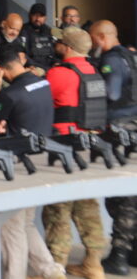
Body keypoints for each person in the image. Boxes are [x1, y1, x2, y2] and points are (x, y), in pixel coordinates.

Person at [0, 44, 65, 279]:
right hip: (41, 160)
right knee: (26, 222)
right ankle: (49, 269)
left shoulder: (9, 94)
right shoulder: (43, 83)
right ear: (20, 60)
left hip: (18, 166)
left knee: (11, 226)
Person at [41, 27, 106, 279]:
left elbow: (43, 101)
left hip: (64, 147)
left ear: (67, 47)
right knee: (87, 204)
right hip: (90, 146)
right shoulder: (94, 72)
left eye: (60, 42)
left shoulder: (59, 73)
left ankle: (56, 266)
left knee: (58, 208)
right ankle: (93, 264)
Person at [88, 20, 137, 274]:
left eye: (92, 38)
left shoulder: (112, 60)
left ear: (100, 37)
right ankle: (132, 250)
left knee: (120, 194)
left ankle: (119, 254)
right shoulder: (131, 56)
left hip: (121, 130)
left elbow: (113, 94)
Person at [21, 3, 56, 70]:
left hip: (49, 68)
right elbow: (23, 54)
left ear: (45, 18)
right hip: (31, 68)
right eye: (35, 15)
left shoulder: (49, 32)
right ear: (30, 15)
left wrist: (56, 62)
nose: (38, 18)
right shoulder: (22, 30)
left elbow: (54, 53)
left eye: (41, 16)